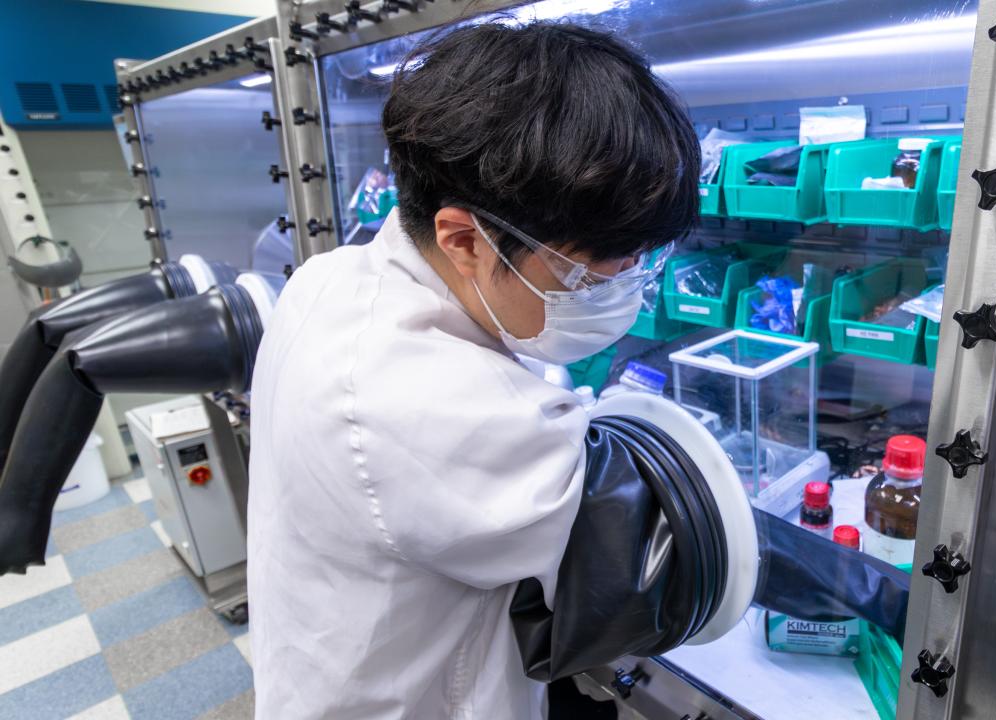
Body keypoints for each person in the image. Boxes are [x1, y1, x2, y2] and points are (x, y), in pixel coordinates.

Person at [245, 20, 699, 720]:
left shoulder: (327, 277)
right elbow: (650, 574)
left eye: (640, 258)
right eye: (591, 269)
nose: (624, 284)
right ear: (464, 239)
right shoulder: (440, 405)